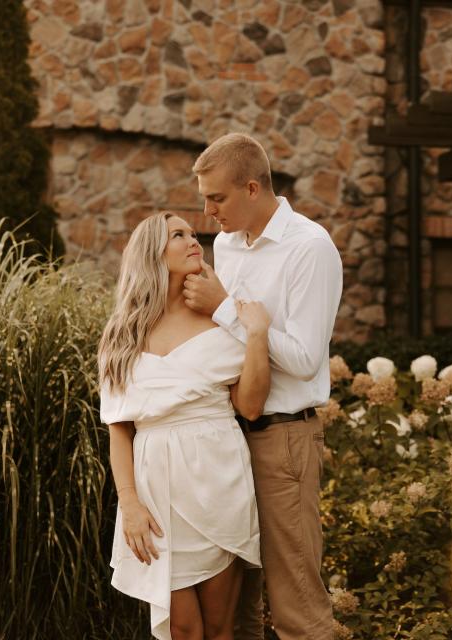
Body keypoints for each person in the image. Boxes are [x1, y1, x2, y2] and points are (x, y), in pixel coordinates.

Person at [182, 133, 343, 640]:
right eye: (205, 198)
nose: (207, 213)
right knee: (237, 610)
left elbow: (303, 358)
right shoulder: (227, 245)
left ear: (253, 188)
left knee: (297, 606)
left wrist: (224, 308)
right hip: (227, 440)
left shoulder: (310, 248)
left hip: (284, 442)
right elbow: (232, 344)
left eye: (218, 198)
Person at [98, 212, 273, 640]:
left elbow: (250, 406)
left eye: (194, 234)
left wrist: (256, 336)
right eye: (179, 235)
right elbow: (119, 429)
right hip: (156, 493)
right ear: (153, 254)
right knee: (182, 628)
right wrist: (130, 506)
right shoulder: (122, 336)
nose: (194, 240)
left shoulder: (222, 323)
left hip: (220, 481)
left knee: (218, 628)